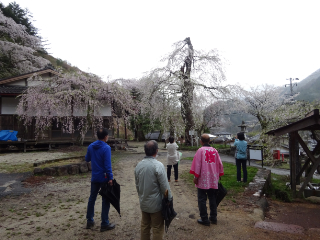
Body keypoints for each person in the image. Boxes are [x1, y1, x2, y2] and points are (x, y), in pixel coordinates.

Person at [135, 140, 173, 240]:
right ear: (156, 151)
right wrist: (169, 199)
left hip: (144, 201)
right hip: (156, 204)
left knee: (145, 226)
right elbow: (164, 186)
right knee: (157, 227)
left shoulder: (139, 166)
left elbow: (137, 185)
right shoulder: (158, 165)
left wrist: (141, 196)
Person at [190, 134, 224, 226]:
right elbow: (220, 164)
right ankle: (213, 217)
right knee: (212, 197)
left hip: (203, 178)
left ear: (201, 141)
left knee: (201, 198)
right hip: (213, 178)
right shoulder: (214, 150)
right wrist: (219, 175)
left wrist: (195, 177)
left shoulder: (200, 151)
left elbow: (197, 165)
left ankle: (204, 219)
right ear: (209, 141)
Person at [85, 128, 115, 232]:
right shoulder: (106, 148)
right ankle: (104, 223)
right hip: (104, 177)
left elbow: (87, 159)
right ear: (106, 136)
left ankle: (89, 220)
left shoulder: (91, 146)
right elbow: (108, 165)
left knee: (92, 198)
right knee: (105, 199)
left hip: (95, 176)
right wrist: (110, 177)